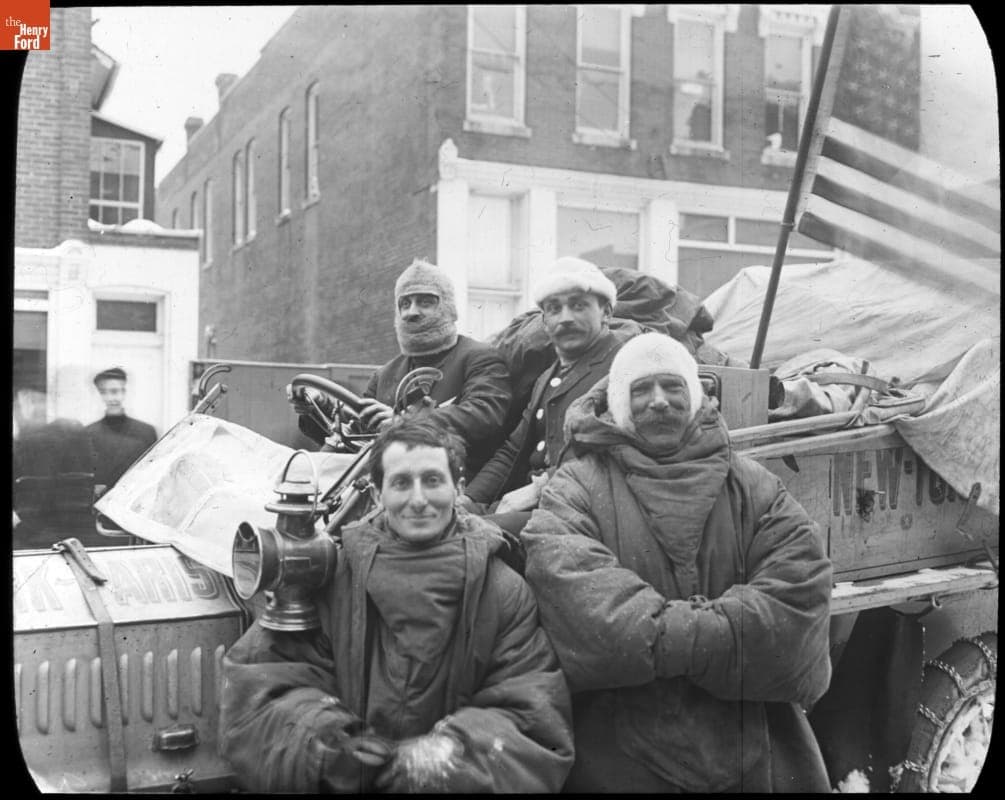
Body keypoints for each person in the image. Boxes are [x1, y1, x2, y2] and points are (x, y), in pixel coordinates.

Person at [520, 332, 833, 793]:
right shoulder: (576, 488)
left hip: (750, 739)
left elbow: (798, 600)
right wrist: (722, 636)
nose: (659, 401)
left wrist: (660, 635)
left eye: (672, 386)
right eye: (641, 389)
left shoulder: (754, 486)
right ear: (619, 403)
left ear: (695, 395)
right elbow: (583, 605)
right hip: (614, 749)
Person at [219, 418, 574, 793]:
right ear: (377, 494)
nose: (418, 500)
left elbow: (531, 718)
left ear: (458, 489)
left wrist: (447, 761)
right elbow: (261, 685)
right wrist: (325, 743)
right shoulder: (331, 576)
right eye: (402, 483)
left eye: (433, 481)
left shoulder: (502, 592)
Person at [291, 258, 511, 479]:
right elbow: (355, 436)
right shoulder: (385, 375)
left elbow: (484, 415)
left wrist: (403, 423)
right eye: (404, 304)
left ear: (448, 307)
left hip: (455, 484)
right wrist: (317, 407)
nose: (411, 312)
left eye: (425, 302)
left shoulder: (479, 358)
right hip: (389, 486)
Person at [465, 256, 636, 517]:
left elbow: (614, 454)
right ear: (544, 321)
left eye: (578, 306)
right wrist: (469, 499)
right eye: (554, 309)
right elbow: (512, 451)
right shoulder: (548, 376)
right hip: (541, 503)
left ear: (607, 312)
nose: (565, 318)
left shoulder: (623, 366)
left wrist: (538, 489)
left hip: (585, 509)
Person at [85, 367, 158, 495]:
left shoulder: (146, 432)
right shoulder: (88, 433)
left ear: (124, 392)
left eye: (115, 391)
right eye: (103, 392)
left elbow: (154, 475)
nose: (110, 398)